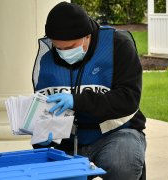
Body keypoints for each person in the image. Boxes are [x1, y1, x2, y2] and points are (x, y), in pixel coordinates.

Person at [32, 2, 146, 180]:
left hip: (116, 134)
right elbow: (44, 109)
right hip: (69, 142)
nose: (63, 53)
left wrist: (77, 100)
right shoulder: (46, 58)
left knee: (121, 164)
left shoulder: (118, 45)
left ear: (87, 35)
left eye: (70, 48)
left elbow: (128, 99)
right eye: (58, 48)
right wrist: (42, 136)